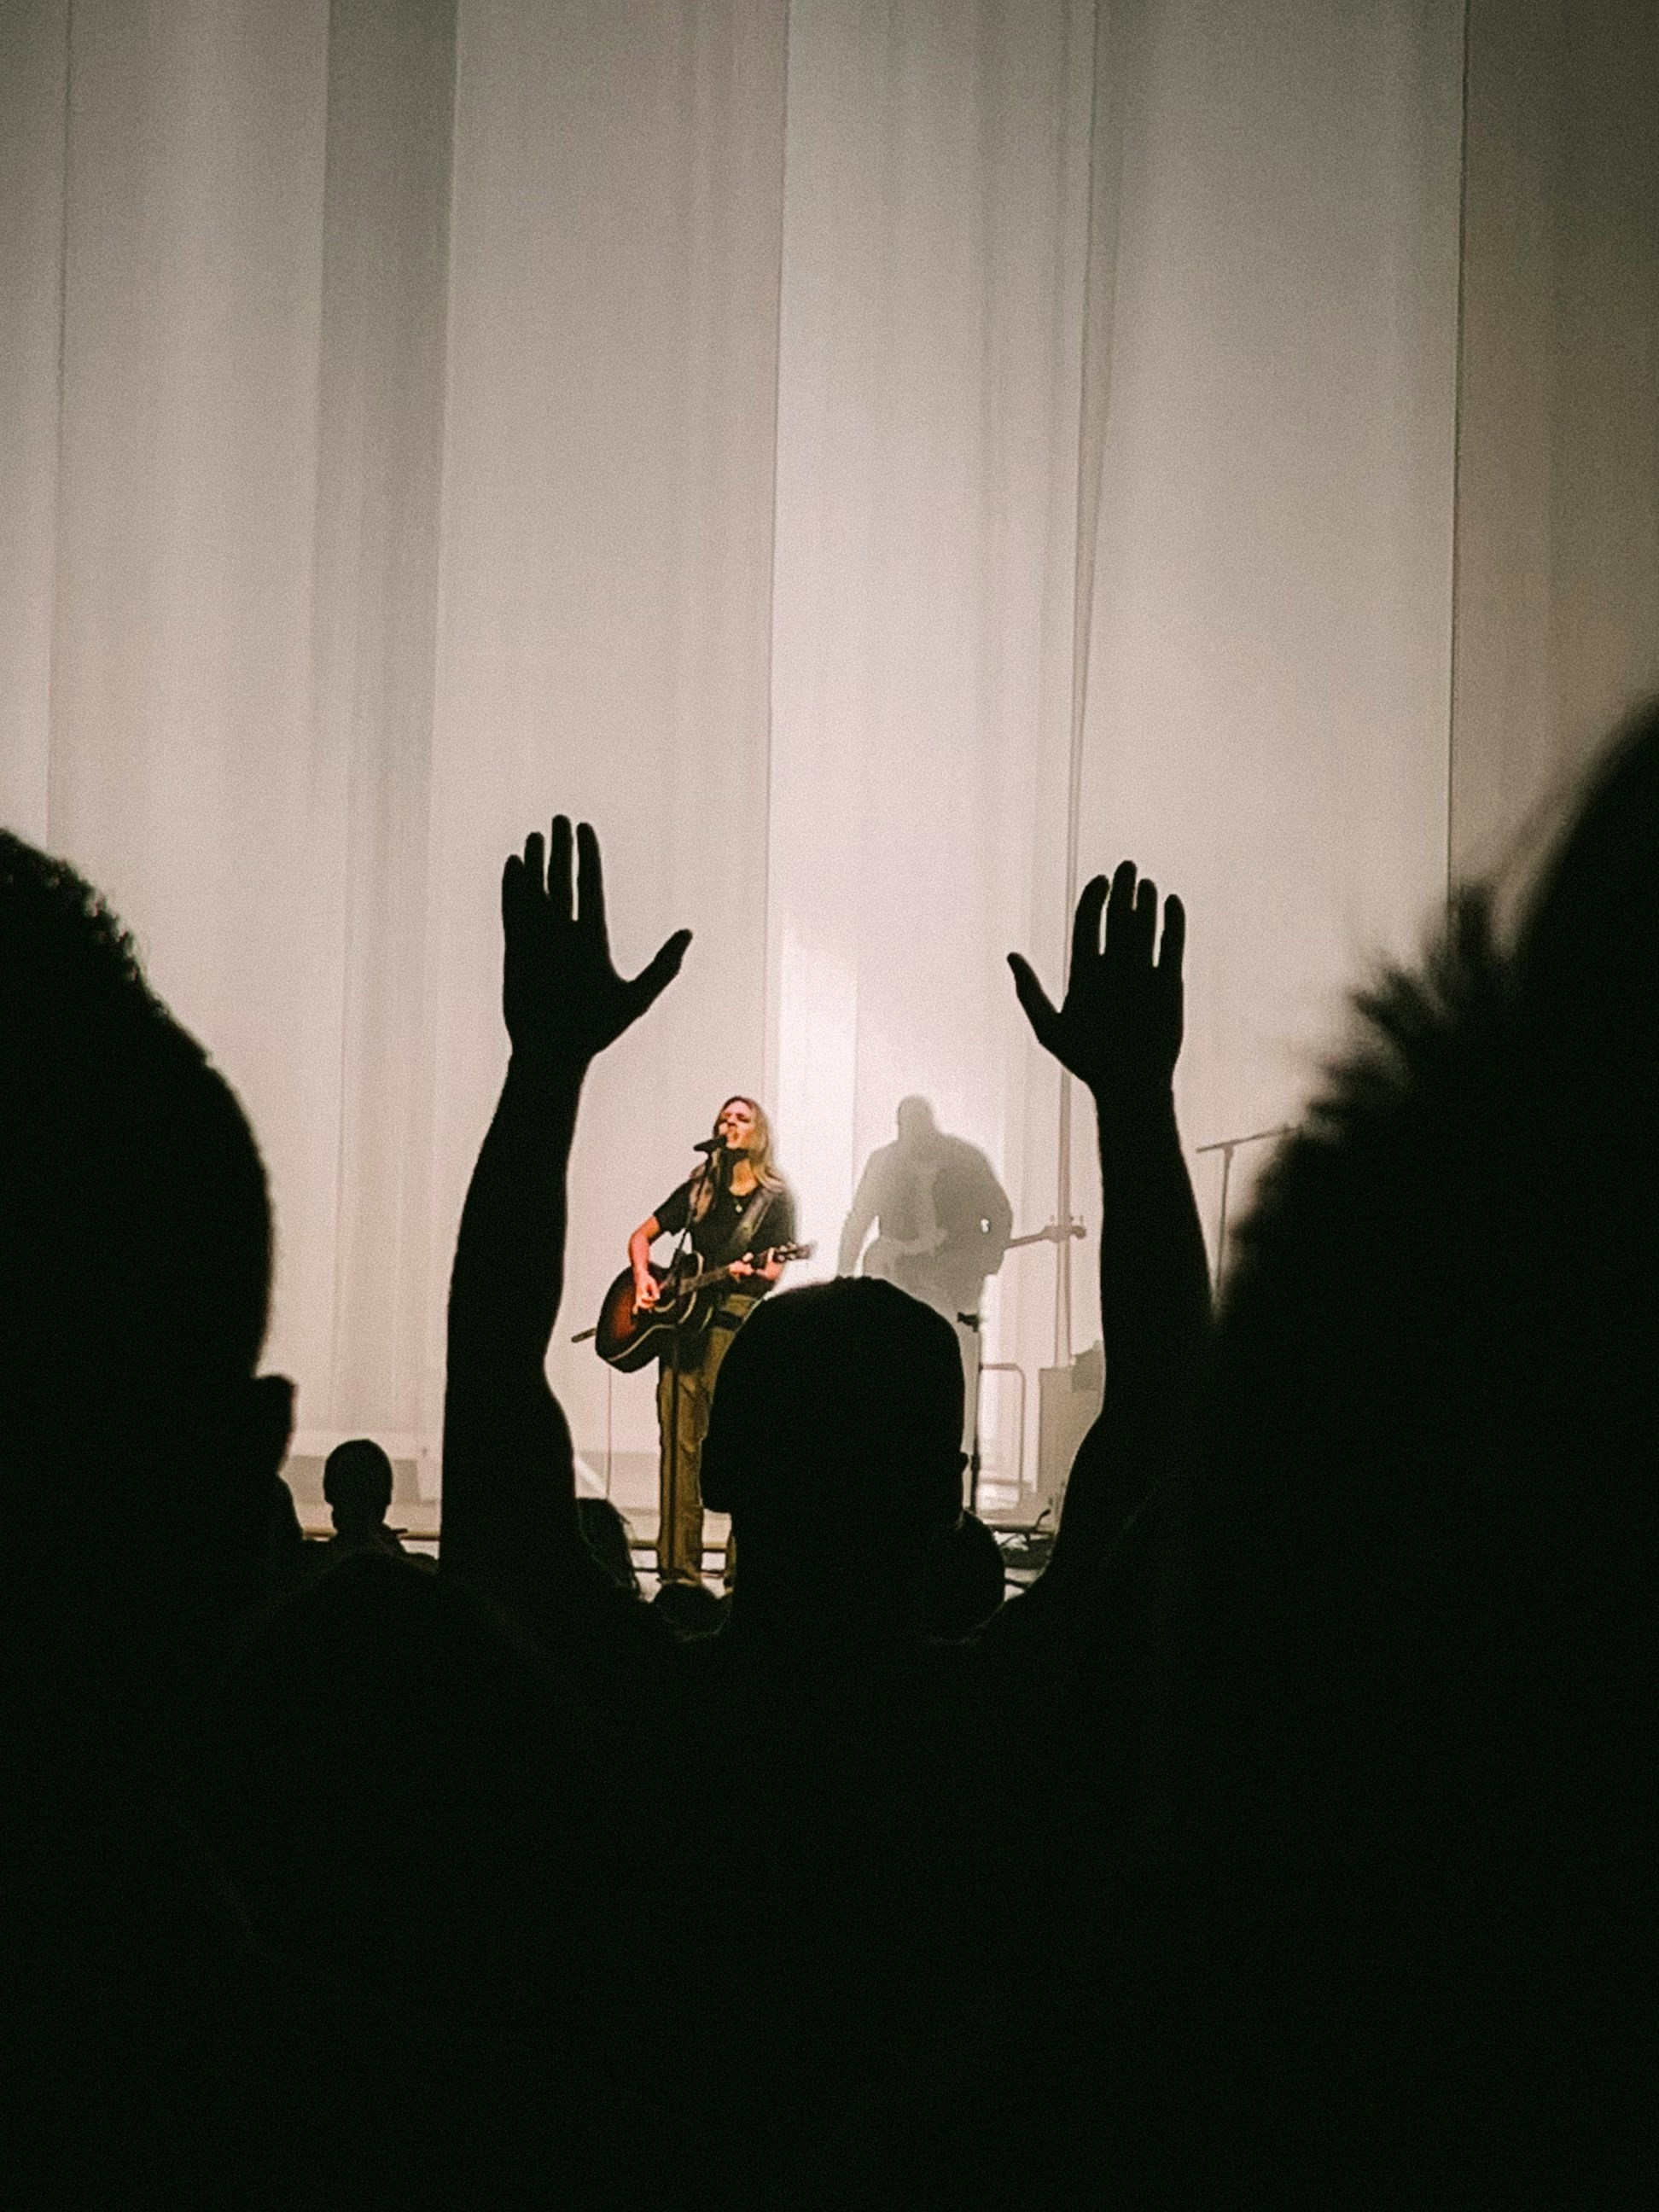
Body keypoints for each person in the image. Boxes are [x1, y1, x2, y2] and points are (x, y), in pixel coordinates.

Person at [439, 819, 1208, 2189]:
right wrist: (1133, 1105)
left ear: (724, 1472)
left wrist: (547, 1064)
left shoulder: (625, 1720)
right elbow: (1161, 1427)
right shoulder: (1011, 1733)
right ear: (944, 1507)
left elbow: (494, 1385)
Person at [626, 1097, 796, 1588]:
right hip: (685, 1327)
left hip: (737, 1325)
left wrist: (753, 1270)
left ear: (758, 1132)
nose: (731, 1124)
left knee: (737, 1441)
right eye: (725, 1118)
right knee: (677, 1444)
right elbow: (642, 1237)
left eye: (742, 1119)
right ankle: (678, 1571)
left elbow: (775, 1269)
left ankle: (743, 1572)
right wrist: (643, 1278)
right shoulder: (700, 1188)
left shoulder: (775, 1196)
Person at [838, 1098, 1012, 1447]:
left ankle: (953, 1466)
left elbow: (1000, 1214)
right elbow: (858, 1220)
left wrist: (980, 1264)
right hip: (902, 1278)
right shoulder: (885, 1163)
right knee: (897, 1373)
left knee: (954, 1376)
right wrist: (845, 1280)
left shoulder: (965, 1160)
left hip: (955, 1282)